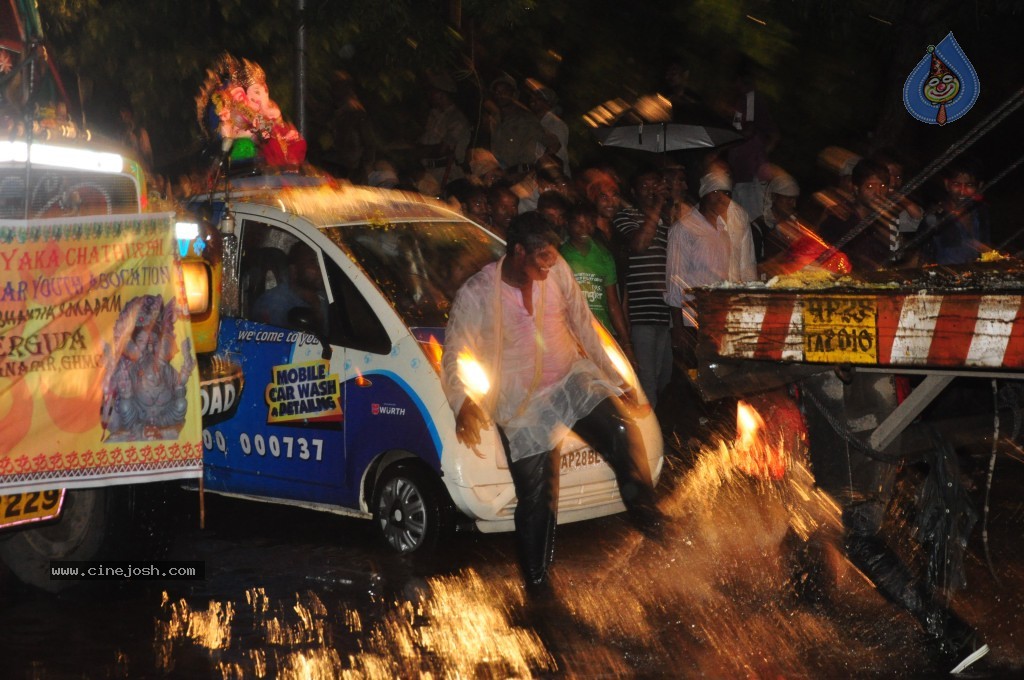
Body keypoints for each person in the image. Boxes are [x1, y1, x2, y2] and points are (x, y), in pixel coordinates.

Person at [441, 211, 663, 592]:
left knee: (621, 428)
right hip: (520, 404)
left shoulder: (557, 272)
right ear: (518, 252)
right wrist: (463, 404)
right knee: (538, 497)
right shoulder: (478, 293)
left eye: (552, 255)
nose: (550, 263)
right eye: (542, 256)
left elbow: (583, 323)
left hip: (569, 380)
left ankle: (645, 513)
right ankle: (538, 584)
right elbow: (454, 353)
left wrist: (613, 377)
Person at [613, 167, 674, 408]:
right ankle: (650, 440)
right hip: (640, 312)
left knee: (663, 376)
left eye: (655, 186)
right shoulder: (625, 217)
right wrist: (657, 207)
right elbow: (639, 245)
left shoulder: (665, 221)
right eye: (645, 187)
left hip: (662, 311)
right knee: (646, 379)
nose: (651, 191)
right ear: (633, 191)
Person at [560, 202, 634, 360]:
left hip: (602, 334)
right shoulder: (560, 256)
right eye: (578, 224)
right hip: (571, 336)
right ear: (568, 224)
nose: (584, 229)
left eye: (588, 223)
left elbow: (613, 302)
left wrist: (626, 343)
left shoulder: (604, 256)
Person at [817, 158, 895, 272]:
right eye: (870, 187)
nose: (878, 193)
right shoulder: (840, 219)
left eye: (882, 187)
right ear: (856, 189)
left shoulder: (884, 221)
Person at [921, 160, 991, 265]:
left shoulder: (982, 213)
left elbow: (990, 250)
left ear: (979, 186)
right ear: (947, 184)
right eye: (956, 184)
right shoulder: (935, 218)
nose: (962, 191)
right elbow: (922, 258)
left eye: (969, 185)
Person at [251, 242, 328, 333]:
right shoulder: (274, 303)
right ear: (294, 270)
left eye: (321, 263)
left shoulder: (324, 296)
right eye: (312, 262)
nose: (320, 269)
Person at [485, 75, 548, 182]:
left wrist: (506, 174)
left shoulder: (527, 121)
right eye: (496, 92)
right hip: (497, 175)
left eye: (504, 91)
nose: (499, 95)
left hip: (518, 179)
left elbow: (529, 163)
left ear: (514, 94)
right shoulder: (494, 119)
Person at [418, 72, 472, 187]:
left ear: (441, 93)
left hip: (448, 175)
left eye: (432, 90)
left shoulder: (457, 119)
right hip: (429, 172)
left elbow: (443, 150)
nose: (428, 94)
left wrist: (414, 151)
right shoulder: (434, 115)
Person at [525, 79, 570, 176]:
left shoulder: (556, 124)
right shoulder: (531, 123)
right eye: (531, 98)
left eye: (538, 98)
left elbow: (557, 152)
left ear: (548, 102)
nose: (533, 100)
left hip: (553, 176)